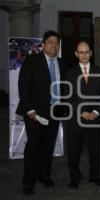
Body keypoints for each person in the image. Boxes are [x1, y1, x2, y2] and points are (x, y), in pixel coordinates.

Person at [16, 30, 67, 195]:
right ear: (43, 45)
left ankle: (44, 176)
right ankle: (28, 181)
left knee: (48, 146)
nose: (54, 45)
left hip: (55, 112)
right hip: (35, 114)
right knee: (33, 147)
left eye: (56, 43)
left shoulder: (62, 63)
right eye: (51, 42)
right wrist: (29, 109)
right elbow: (24, 86)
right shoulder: (32, 60)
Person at [64, 41, 100, 189]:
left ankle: (95, 176)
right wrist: (81, 112)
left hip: (95, 118)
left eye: (86, 52)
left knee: (95, 149)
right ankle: (74, 177)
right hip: (76, 118)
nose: (84, 55)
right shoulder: (69, 73)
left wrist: (95, 112)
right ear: (76, 54)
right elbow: (68, 96)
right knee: (74, 149)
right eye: (81, 52)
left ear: (91, 53)